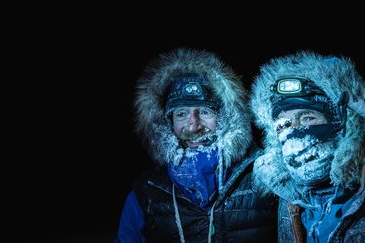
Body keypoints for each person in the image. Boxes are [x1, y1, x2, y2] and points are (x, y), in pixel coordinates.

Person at [250, 51, 365, 242]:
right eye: (283, 124)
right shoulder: (289, 198)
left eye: (307, 117)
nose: (294, 132)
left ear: (342, 122)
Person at [115, 48, 277, 243]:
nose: (194, 125)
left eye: (205, 112)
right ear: (168, 124)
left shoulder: (265, 177)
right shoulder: (148, 191)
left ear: (226, 118)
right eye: (181, 114)